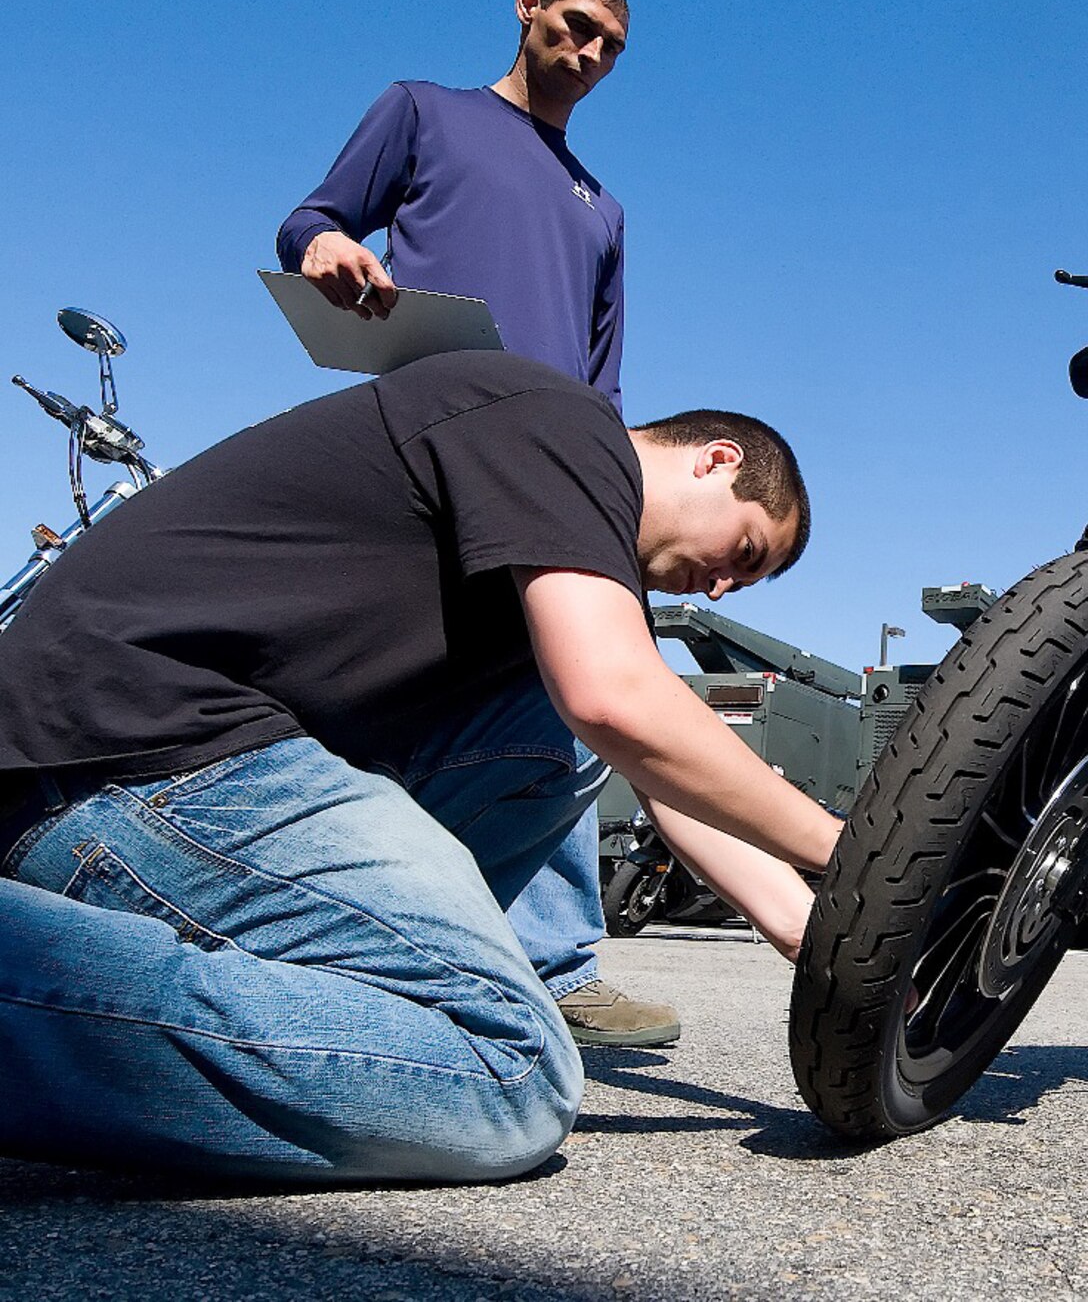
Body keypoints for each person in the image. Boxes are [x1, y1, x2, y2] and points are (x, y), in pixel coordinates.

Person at [0, 351, 840, 1182]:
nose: (727, 588)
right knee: (509, 1073)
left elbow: (659, 767)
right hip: (132, 743)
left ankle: (345, 1002)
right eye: (747, 550)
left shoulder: (551, 559)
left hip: (167, 751)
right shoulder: (561, 422)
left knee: (577, 746)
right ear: (717, 459)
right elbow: (615, 698)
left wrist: (815, 925)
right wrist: (851, 846)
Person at [274, 0, 667, 1046]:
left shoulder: (604, 208)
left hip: (547, 475)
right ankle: (339, 913)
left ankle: (557, 961)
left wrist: (616, 491)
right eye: (575, 25)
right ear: (527, 7)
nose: (586, 54)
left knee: (561, 687)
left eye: (609, 47)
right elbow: (312, 215)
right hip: (429, 447)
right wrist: (326, 246)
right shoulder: (423, 112)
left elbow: (605, 380)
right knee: (392, 682)